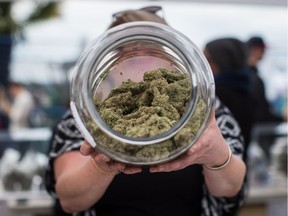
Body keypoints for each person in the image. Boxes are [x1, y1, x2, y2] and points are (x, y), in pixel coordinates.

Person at [45, 6, 246, 216]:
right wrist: (102, 166)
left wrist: (217, 155)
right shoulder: (85, 117)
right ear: (112, 59)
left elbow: (229, 189)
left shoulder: (206, 110)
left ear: (169, 54)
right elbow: (70, 200)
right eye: (128, 48)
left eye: (150, 46)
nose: (138, 56)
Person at [203, 37, 256, 163]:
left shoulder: (214, 93)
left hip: (219, 167)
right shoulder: (250, 85)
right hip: (241, 162)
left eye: (207, 59)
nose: (203, 64)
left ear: (221, 61)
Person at [246, 36, 285, 123]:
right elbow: (262, 114)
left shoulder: (245, 75)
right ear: (255, 49)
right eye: (263, 50)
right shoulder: (253, 79)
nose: (264, 53)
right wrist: (283, 118)